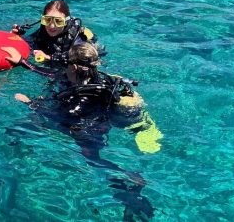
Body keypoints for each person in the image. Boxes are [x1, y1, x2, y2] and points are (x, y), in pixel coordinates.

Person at [13, 43, 160, 221]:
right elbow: (54, 74)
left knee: (93, 159)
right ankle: (129, 185)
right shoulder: (104, 80)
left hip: (88, 131)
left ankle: (128, 179)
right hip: (105, 121)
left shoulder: (79, 100)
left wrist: (30, 103)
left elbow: (61, 118)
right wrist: (23, 62)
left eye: (67, 63)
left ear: (74, 67)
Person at [11, 0, 96, 70]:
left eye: (58, 21)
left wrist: (49, 57)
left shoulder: (77, 36)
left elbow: (81, 58)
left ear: (66, 21)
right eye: (47, 20)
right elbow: (29, 43)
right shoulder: (44, 29)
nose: (51, 26)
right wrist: (17, 38)